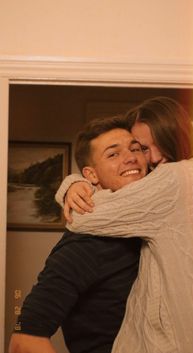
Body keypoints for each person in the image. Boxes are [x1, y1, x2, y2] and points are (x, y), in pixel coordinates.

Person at [55, 96, 193, 353]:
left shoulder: (175, 176)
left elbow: (83, 216)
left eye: (161, 142)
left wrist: (71, 184)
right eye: (142, 147)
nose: (155, 157)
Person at [8, 115, 148, 353]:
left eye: (136, 148)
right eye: (113, 154)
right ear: (91, 176)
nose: (131, 157)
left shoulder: (151, 225)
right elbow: (24, 339)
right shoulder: (85, 243)